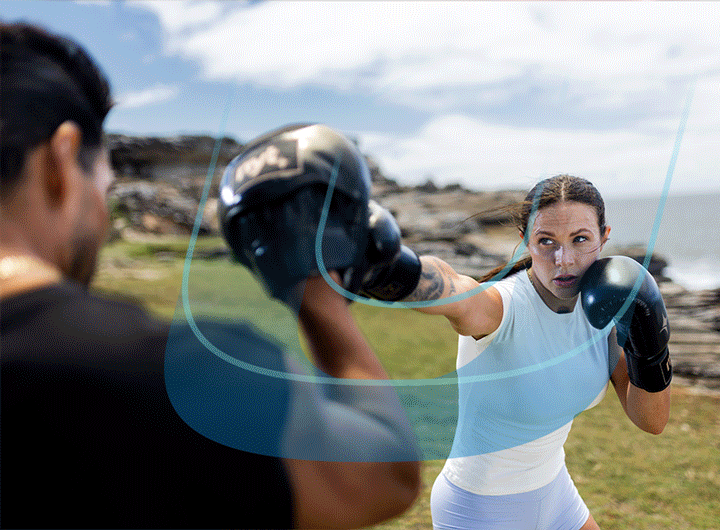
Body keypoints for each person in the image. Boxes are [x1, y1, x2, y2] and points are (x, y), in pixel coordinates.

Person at [1, 22, 420, 529]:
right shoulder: (178, 378)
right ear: (61, 161)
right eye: (104, 188)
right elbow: (386, 474)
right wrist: (316, 289)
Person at [357, 174, 672, 529]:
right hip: (479, 511)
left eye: (580, 239)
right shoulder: (503, 307)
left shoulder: (605, 308)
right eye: (546, 241)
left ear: (604, 237)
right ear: (525, 240)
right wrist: (392, 269)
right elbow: (455, 290)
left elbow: (651, 420)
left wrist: (651, 348)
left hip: (556, 495)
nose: (563, 259)